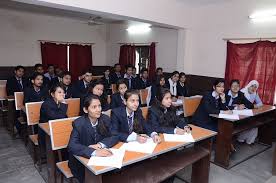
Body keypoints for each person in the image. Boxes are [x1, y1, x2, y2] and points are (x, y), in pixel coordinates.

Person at [68, 94, 119, 183]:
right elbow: (72, 146)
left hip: (102, 160)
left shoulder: (105, 119)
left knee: (116, 174)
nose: (98, 109)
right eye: (94, 107)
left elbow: (115, 135)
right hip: (82, 162)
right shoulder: (79, 123)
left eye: (99, 106)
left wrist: (100, 144)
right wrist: (94, 152)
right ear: (85, 110)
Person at [39, 84, 68, 155]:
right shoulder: (47, 104)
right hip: (46, 131)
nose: (62, 94)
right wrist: (64, 103)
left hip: (57, 128)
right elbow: (57, 118)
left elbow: (64, 117)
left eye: (63, 92)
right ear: (52, 94)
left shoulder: (59, 102)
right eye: (59, 92)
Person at [237, 80, 263, 145]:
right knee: (246, 123)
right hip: (240, 112)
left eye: (255, 87)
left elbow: (260, 103)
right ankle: (241, 139)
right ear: (249, 85)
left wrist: (255, 106)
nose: (253, 88)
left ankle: (250, 140)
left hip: (249, 112)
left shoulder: (255, 93)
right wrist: (253, 106)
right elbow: (239, 104)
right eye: (252, 86)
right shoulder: (242, 92)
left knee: (255, 124)